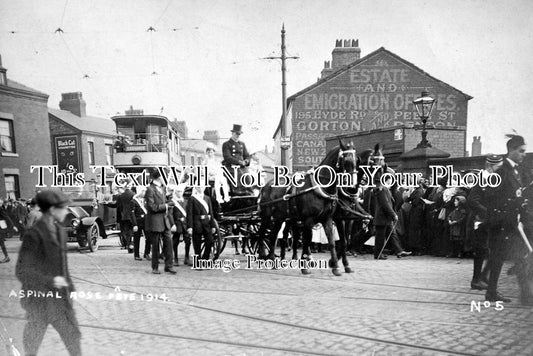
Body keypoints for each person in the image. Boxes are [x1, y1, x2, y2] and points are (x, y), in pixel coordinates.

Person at [15, 190, 81, 355]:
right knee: (32, 343)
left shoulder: (60, 231)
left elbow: (62, 266)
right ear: (52, 210)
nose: (66, 211)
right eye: (63, 207)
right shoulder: (34, 235)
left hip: (60, 301)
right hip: (39, 302)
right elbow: (22, 271)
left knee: (73, 338)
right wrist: (51, 281)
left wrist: (70, 289)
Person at [485, 134, 527, 302]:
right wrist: (503, 212)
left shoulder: (517, 171)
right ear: (511, 150)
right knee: (498, 257)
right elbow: (490, 195)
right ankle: (492, 292)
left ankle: (524, 293)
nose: (524, 154)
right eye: (521, 151)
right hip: (502, 222)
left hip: (513, 221)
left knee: (516, 256)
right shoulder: (501, 171)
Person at [467, 154, 503, 290]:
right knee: (481, 250)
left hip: (490, 220)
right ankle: (477, 279)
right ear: (489, 166)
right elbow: (473, 200)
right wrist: (488, 212)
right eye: (498, 167)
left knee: (494, 249)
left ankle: (482, 276)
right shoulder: (482, 179)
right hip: (480, 220)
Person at [145, 168, 177, 274]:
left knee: (169, 244)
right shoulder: (150, 189)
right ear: (159, 177)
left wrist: (169, 202)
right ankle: (155, 267)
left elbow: (163, 203)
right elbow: (152, 207)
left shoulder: (162, 188)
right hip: (155, 222)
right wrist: (166, 205)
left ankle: (169, 266)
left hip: (164, 221)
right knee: (155, 246)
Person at [187, 186, 217, 261]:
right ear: (196, 188)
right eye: (199, 187)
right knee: (197, 244)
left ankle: (205, 259)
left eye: (202, 187)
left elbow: (211, 212)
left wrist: (213, 225)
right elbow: (189, 213)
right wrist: (190, 227)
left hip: (206, 223)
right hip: (197, 222)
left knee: (210, 241)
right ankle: (198, 261)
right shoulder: (192, 198)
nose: (201, 188)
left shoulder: (207, 198)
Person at [222, 124, 251, 195]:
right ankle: (238, 193)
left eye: (239, 134)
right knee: (238, 175)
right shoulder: (226, 144)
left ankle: (248, 193)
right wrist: (239, 162)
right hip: (231, 166)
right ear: (232, 133)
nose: (238, 135)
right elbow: (227, 157)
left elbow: (247, 155)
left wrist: (246, 161)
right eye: (236, 134)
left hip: (242, 166)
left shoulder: (242, 144)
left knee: (248, 176)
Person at [171, 184, 191, 266]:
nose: (179, 193)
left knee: (188, 241)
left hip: (185, 224)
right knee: (175, 242)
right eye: (178, 191)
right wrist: (172, 224)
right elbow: (170, 214)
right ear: (175, 192)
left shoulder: (186, 201)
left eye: (181, 191)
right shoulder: (172, 202)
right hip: (177, 223)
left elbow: (189, 214)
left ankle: (187, 257)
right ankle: (175, 258)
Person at [132, 186, 150, 261]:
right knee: (137, 239)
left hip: (146, 222)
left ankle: (147, 253)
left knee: (149, 238)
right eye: (143, 191)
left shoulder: (146, 200)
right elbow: (132, 214)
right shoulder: (133, 201)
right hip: (138, 221)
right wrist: (134, 224)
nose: (144, 193)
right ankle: (136, 254)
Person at [0, 198, 14, 263]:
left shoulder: (0, 209)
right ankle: (6, 257)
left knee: (1, 243)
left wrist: (12, 226)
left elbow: (7, 217)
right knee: (1, 243)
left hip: (0, 228)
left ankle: (7, 257)